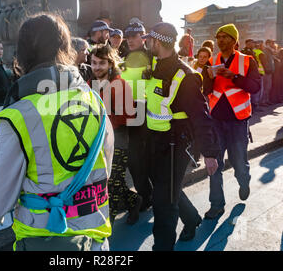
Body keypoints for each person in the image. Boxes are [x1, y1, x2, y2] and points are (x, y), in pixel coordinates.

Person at [0, 12, 114, 251]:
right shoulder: (94, 100)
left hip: (44, 238)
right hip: (96, 235)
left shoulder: (18, 115)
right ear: (66, 48)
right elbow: (104, 166)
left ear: (22, 55)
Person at [142, 22, 219, 250]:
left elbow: (201, 117)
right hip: (155, 140)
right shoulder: (155, 66)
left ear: (157, 42)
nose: (147, 44)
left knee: (164, 204)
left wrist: (210, 153)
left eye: (149, 40)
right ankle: (192, 218)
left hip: (176, 145)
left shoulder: (186, 76)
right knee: (165, 190)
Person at [203, 24, 261, 219]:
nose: (220, 40)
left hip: (238, 121)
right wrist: (208, 78)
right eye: (218, 36)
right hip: (216, 121)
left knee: (238, 162)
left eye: (225, 37)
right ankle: (216, 205)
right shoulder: (211, 61)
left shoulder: (247, 61)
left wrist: (234, 77)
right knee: (215, 165)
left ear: (235, 41)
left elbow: (255, 87)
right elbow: (205, 91)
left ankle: (244, 181)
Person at [88, 44, 143, 225]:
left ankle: (106, 226)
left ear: (110, 63)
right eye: (93, 62)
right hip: (97, 142)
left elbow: (130, 116)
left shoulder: (119, 84)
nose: (96, 67)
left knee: (112, 185)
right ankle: (134, 201)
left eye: (101, 63)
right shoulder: (89, 84)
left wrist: (109, 113)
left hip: (118, 141)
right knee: (111, 182)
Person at [120, 21, 153, 212]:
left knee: (149, 158)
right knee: (134, 159)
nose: (130, 40)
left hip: (149, 113)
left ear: (143, 36)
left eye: (134, 36)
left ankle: (153, 195)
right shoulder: (124, 58)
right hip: (130, 113)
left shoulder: (153, 57)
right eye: (128, 37)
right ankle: (145, 195)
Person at [261, 39, 277, 105]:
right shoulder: (266, 51)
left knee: (268, 87)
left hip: (270, 71)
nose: (273, 44)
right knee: (266, 87)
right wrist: (267, 69)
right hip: (266, 71)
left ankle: (266, 100)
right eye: (272, 43)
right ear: (268, 44)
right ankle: (263, 101)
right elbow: (265, 62)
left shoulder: (270, 51)